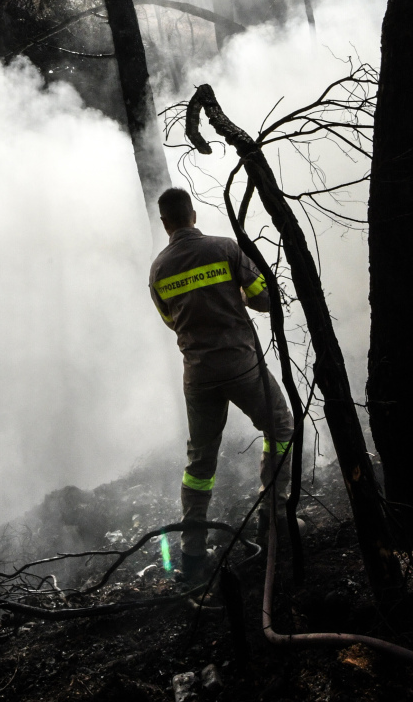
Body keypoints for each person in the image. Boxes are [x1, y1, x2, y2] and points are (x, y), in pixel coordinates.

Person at [150, 186, 293, 583]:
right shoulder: (225, 248)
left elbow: (170, 320)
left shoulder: (158, 270)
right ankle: (273, 515)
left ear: (166, 223)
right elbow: (265, 300)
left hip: (198, 377)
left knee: (199, 465)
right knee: (280, 426)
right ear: (193, 214)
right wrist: (238, 296)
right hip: (241, 366)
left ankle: (192, 555)